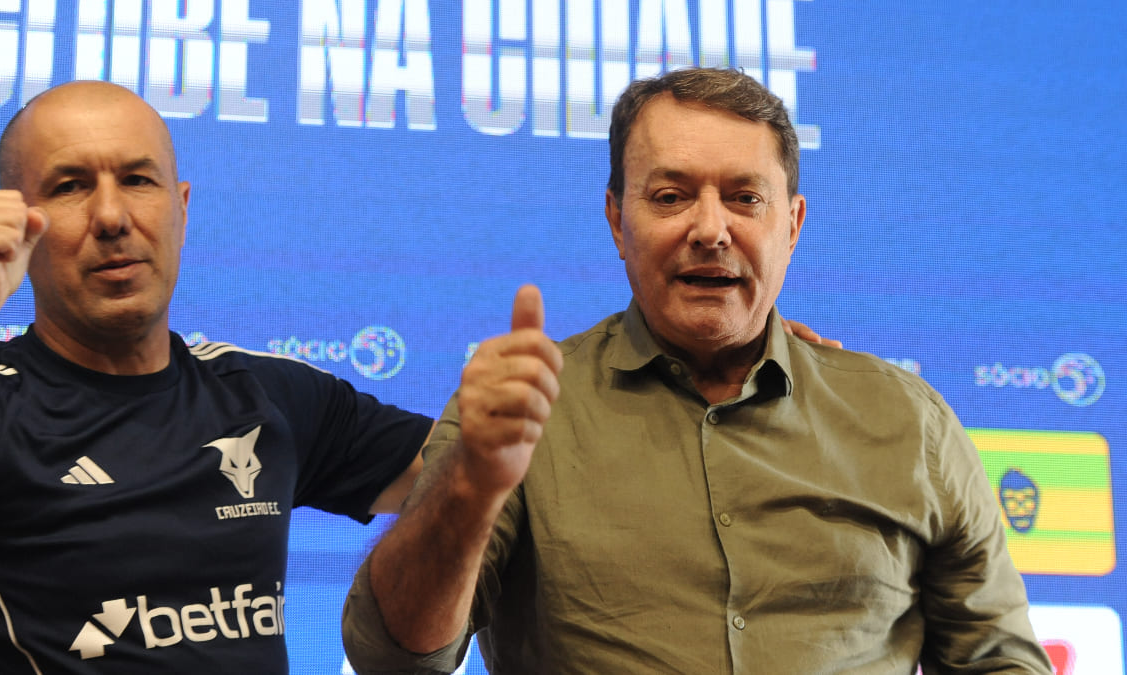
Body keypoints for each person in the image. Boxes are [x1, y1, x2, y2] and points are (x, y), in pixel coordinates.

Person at [341, 68, 1053, 673]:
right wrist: (469, 484)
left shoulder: (908, 420)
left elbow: (1001, 658)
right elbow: (391, 654)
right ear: (618, 221)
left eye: (745, 197)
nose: (710, 229)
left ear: (793, 224)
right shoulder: (521, 411)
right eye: (671, 195)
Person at [0, 80, 433, 673]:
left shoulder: (265, 395)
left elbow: (477, 478)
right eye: (70, 187)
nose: (112, 217)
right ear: (18, 223)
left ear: (182, 207)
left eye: (138, 180)